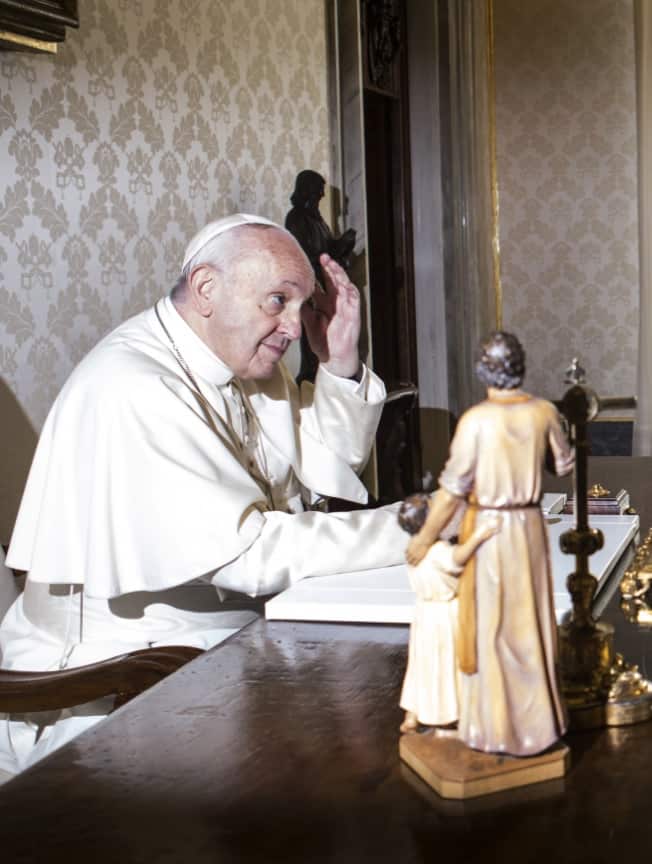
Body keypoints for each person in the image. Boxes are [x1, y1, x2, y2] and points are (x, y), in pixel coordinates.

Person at [0, 213, 407, 775]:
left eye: (301, 304)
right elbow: (251, 554)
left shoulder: (240, 359)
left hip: (231, 637)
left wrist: (337, 360)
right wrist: (412, 524)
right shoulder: (134, 385)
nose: (293, 326)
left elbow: (323, 465)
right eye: (277, 300)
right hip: (121, 675)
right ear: (207, 288)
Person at [406, 331, 574, 757]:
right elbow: (563, 464)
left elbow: (451, 492)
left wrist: (424, 539)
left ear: (483, 370)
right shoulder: (544, 412)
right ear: (520, 367)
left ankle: (497, 728)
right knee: (529, 625)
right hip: (530, 524)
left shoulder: (477, 421)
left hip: (490, 531)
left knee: (493, 630)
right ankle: (538, 726)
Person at [398, 493, 500, 733]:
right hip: (445, 616)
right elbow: (458, 558)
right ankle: (449, 713)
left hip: (424, 614)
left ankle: (412, 715)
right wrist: (480, 534)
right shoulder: (437, 550)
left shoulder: (412, 549)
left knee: (421, 666)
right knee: (447, 665)